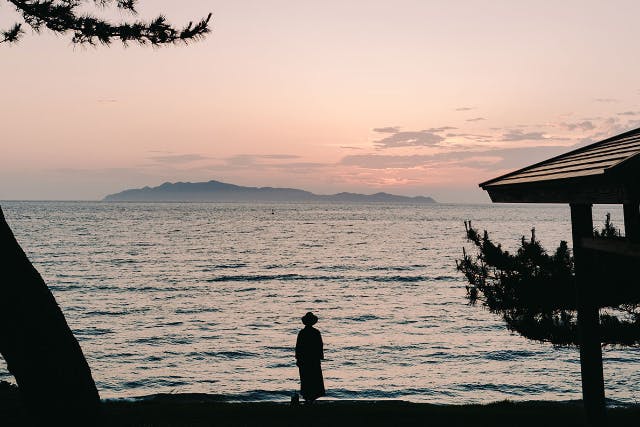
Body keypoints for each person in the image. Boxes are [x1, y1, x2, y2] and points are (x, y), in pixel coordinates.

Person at [295, 312, 325, 402]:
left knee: (305, 378)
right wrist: (320, 357)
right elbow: (320, 346)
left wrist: (298, 358)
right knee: (314, 378)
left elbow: (298, 347)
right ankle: (312, 398)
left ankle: (307, 397)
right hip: (314, 359)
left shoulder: (302, 333)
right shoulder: (316, 332)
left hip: (304, 359)